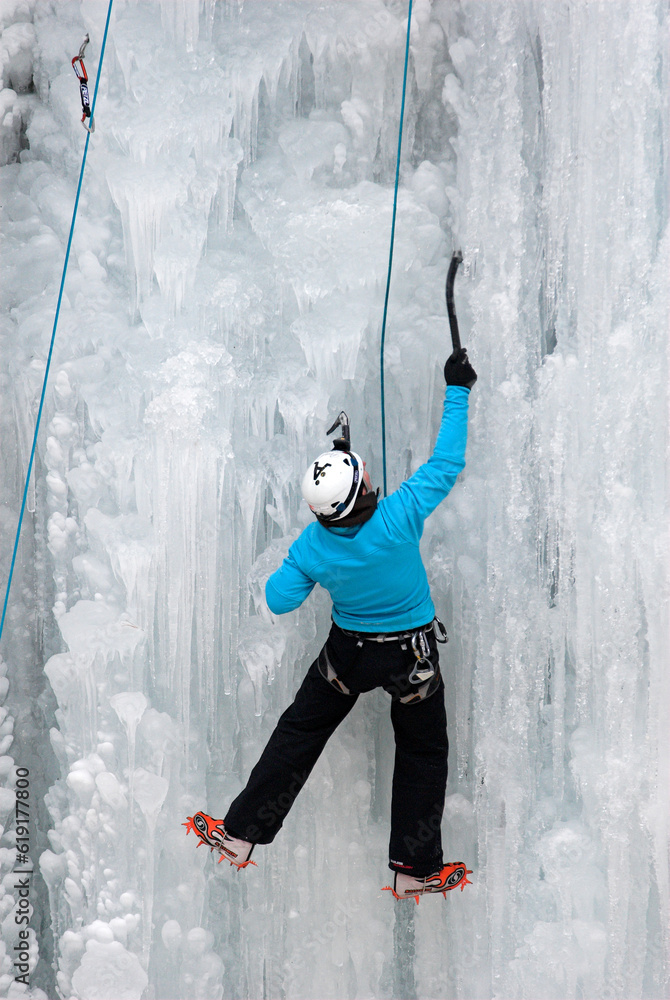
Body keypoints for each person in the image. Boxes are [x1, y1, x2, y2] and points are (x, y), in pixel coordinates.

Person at [185, 345, 477, 901]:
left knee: (300, 732)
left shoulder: (314, 545)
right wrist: (457, 388)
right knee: (422, 750)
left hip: (348, 656)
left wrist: (302, 557)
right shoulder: (401, 514)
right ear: (366, 490)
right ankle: (413, 868)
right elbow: (446, 463)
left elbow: (279, 599)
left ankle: (241, 834)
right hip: (410, 657)